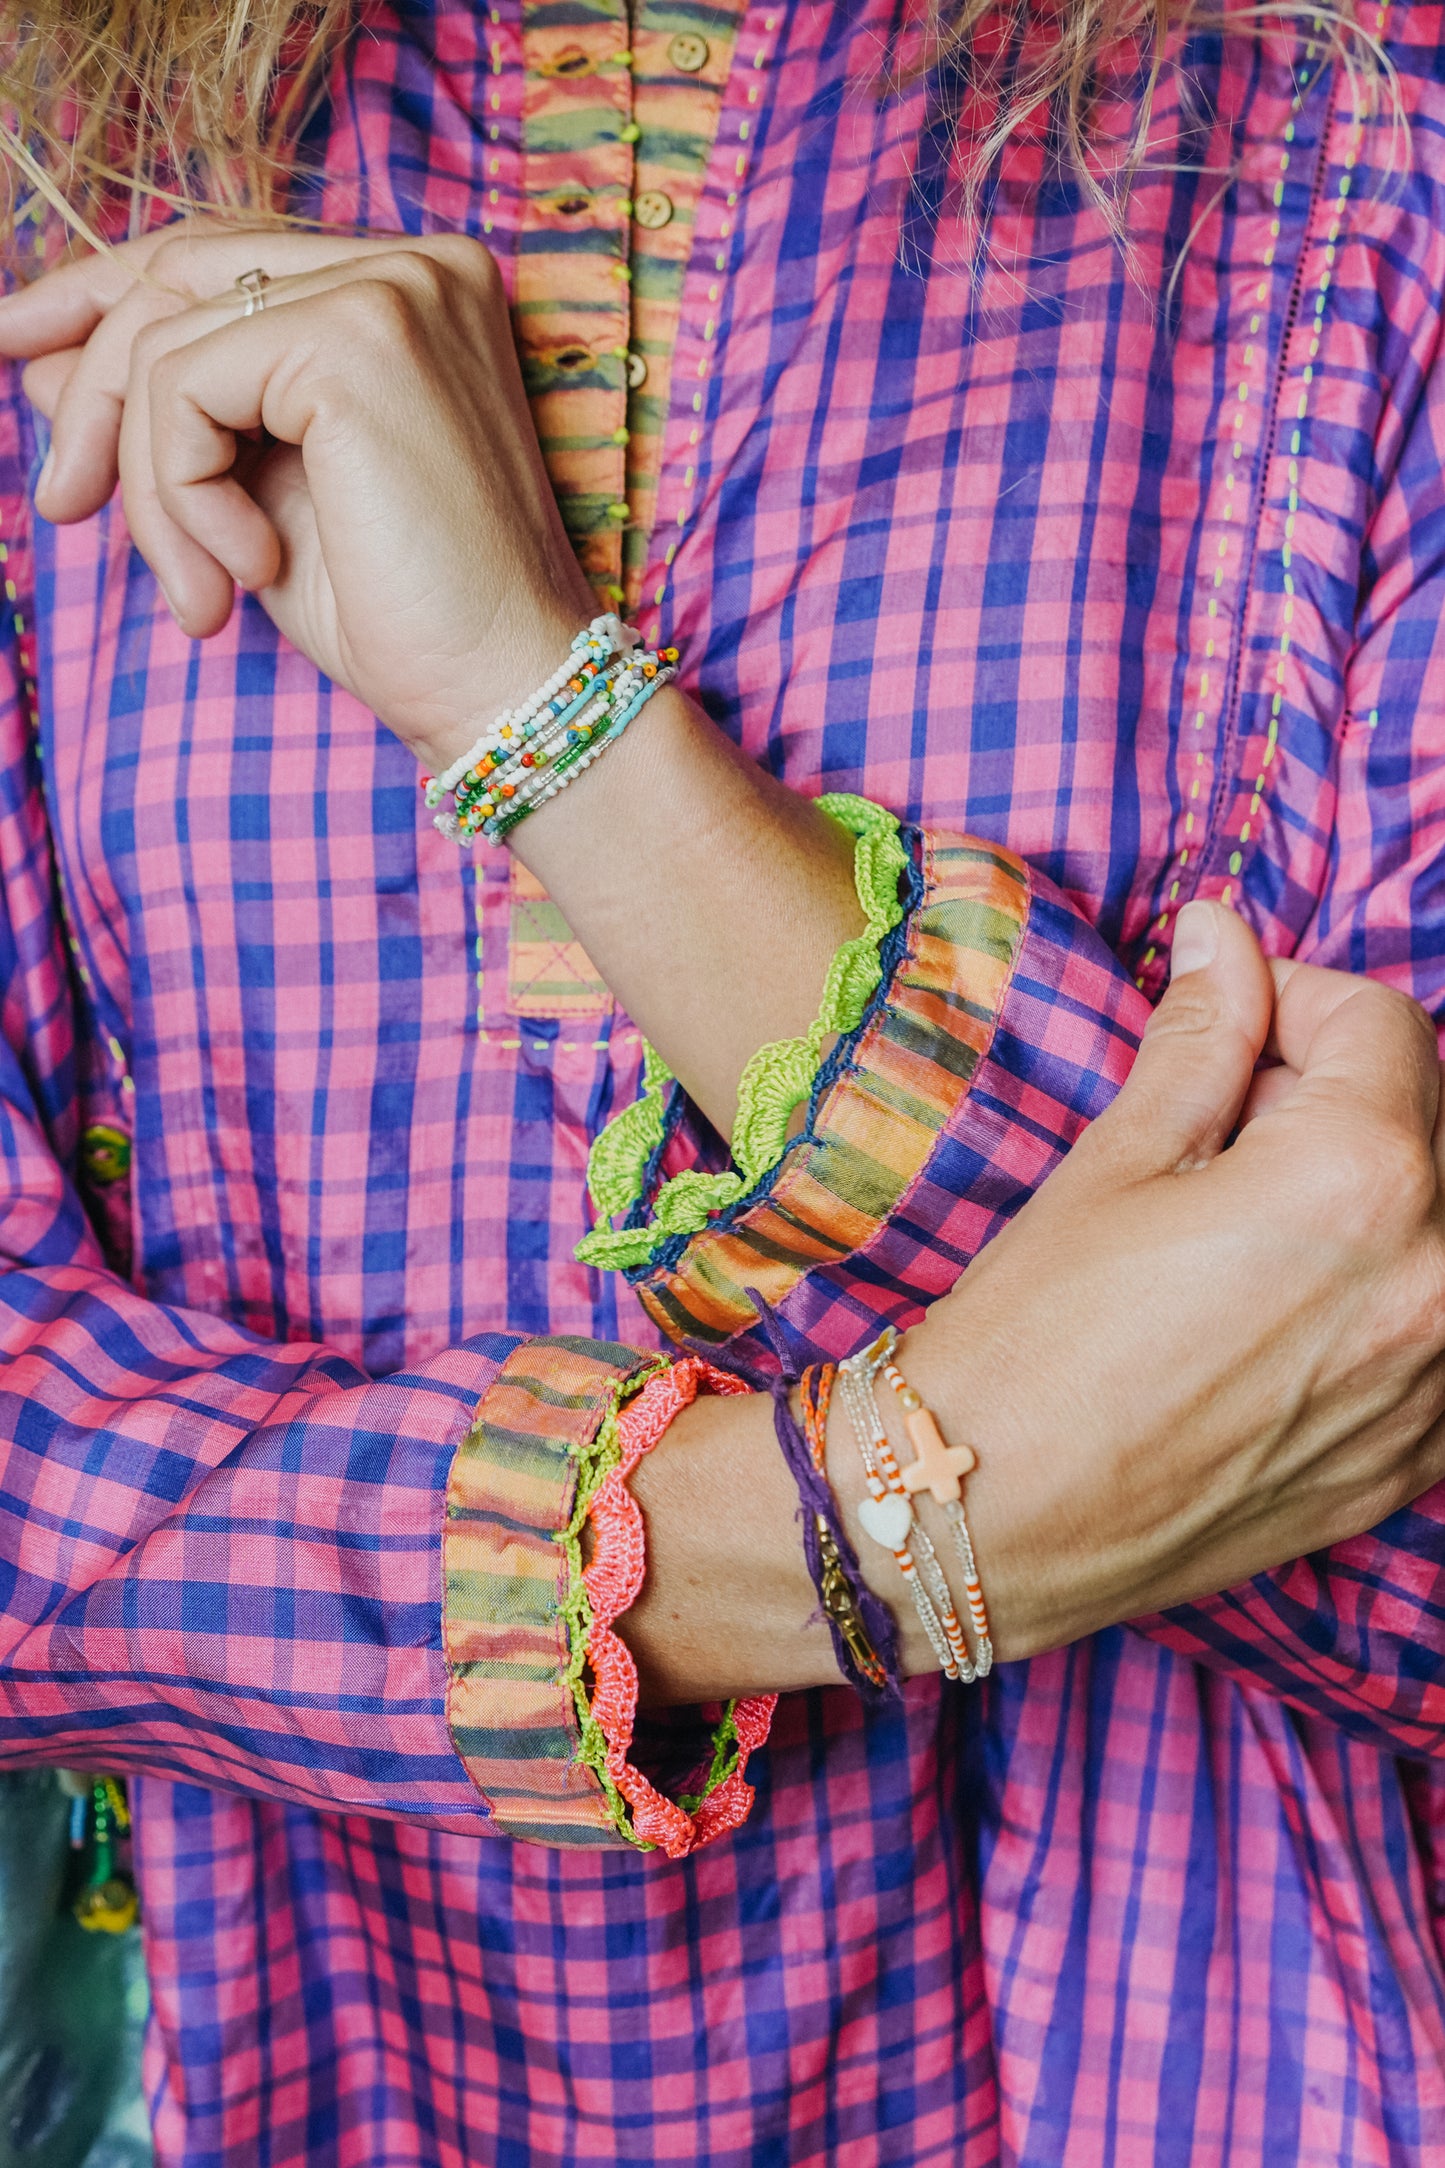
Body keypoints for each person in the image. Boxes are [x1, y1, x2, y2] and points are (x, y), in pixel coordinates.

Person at [0, 0, 1444, 2158]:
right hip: (286, 2067)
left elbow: (1397, 1403)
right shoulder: (53, 157)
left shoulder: (1363, 131)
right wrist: (830, 1531)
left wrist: (558, 725)